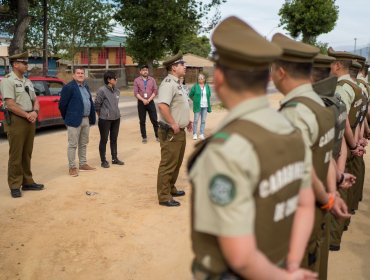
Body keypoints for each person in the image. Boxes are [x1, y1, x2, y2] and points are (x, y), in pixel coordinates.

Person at [189, 17, 317, 279]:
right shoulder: (290, 129)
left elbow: (241, 257)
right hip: (279, 263)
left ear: (220, 77)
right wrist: (291, 264)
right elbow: (305, 204)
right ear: (265, 77)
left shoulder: (228, 149)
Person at [271, 34, 349, 279]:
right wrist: (331, 193)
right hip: (316, 214)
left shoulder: (294, 113)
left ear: (281, 71)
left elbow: (303, 167)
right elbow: (326, 155)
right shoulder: (323, 105)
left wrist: (327, 198)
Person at [0, 52, 44, 198]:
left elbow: (35, 100)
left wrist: (35, 112)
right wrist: (27, 115)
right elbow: (10, 104)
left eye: (27, 62)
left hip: (30, 117)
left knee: (27, 152)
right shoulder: (8, 80)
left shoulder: (28, 81)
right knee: (16, 154)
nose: (27, 65)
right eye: (24, 63)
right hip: (17, 119)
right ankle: (14, 184)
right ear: (15, 64)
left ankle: (27, 181)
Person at [156, 51, 192, 207]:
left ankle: (171, 188)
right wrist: (173, 123)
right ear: (173, 67)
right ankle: (164, 196)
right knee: (168, 163)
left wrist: (186, 120)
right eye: (182, 64)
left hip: (179, 130)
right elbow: (162, 106)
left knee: (176, 162)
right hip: (171, 131)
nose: (185, 67)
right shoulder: (168, 84)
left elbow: (178, 106)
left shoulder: (178, 84)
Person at [59, 67, 96, 177]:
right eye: (78, 73)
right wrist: (68, 117)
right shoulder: (68, 87)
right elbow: (62, 105)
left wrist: (92, 118)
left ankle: (83, 164)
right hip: (73, 120)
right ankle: (72, 167)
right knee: (73, 145)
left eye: (82, 73)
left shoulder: (86, 87)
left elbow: (89, 102)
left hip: (86, 119)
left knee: (83, 143)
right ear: (74, 75)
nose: (80, 75)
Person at [94, 71, 124, 168]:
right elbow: (97, 105)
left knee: (114, 139)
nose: (116, 79)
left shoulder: (117, 91)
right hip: (105, 119)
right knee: (104, 140)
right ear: (108, 80)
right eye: (114, 78)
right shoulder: (101, 90)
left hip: (116, 118)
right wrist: (102, 116)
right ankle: (103, 161)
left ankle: (114, 158)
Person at [133, 65, 159, 143]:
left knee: (154, 120)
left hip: (150, 102)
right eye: (143, 70)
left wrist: (149, 99)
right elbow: (135, 92)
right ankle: (144, 137)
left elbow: (155, 91)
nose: (145, 71)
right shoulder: (136, 80)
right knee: (142, 120)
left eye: (146, 70)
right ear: (140, 71)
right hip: (141, 102)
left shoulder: (152, 80)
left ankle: (158, 136)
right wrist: (143, 100)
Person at [189, 73, 212, 140]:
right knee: (196, 120)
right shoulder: (195, 86)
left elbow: (209, 94)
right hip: (197, 106)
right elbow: (190, 95)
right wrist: (195, 100)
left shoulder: (207, 86)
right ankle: (195, 134)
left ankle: (201, 134)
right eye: (199, 78)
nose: (200, 79)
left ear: (204, 79)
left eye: (201, 78)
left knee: (203, 121)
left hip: (205, 106)